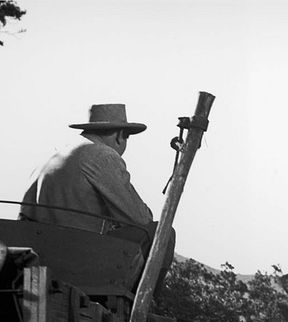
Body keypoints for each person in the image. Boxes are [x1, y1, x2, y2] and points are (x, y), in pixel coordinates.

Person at [19, 103, 174, 287]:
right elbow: (140, 218)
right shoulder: (102, 155)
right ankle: (142, 307)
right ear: (119, 136)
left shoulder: (54, 157)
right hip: (79, 258)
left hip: (40, 255)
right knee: (162, 232)